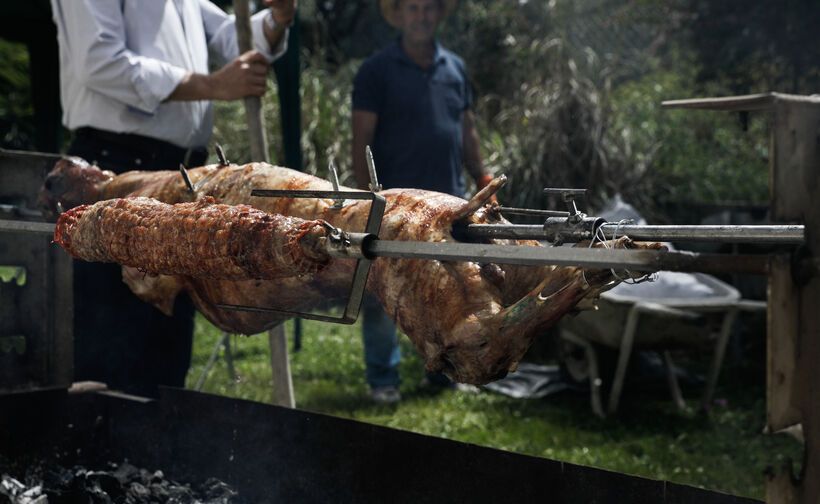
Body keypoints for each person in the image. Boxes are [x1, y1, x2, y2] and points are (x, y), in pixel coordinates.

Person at [50, 0, 297, 397]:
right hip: (117, 169)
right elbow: (100, 63)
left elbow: (231, 39)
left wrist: (275, 20)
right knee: (112, 349)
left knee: (165, 342)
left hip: (178, 176)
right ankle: (97, 453)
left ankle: (157, 453)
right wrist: (215, 86)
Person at [351, 0, 493, 404]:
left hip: (448, 201)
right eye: (412, 8)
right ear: (398, 15)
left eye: (429, 8)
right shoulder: (376, 70)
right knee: (384, 293)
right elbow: (360, 139)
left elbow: (467, 129)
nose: (421, 16)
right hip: (393, 205)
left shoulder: (455, 68)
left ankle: (446, 370)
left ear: (438, 14)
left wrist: (481, 176)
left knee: (449, 292)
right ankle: (383, 378)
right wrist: (367, 201)